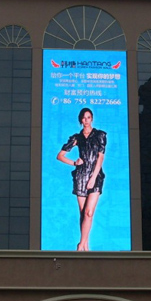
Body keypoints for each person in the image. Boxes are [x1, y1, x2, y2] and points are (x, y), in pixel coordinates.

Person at [57, 108, 106, 251]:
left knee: (89, 212)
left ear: (92, 119)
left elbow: (100, 158)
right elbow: (60, 156)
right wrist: (74, 163)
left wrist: (93, 178)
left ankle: (80, 245)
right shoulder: (76, 138)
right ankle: (85, 245)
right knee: (83, 214)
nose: (86, 120)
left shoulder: (100, 135)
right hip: (81, 177)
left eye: (89, 117)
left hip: (95, 177)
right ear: (80, 120)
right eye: (84, 118)